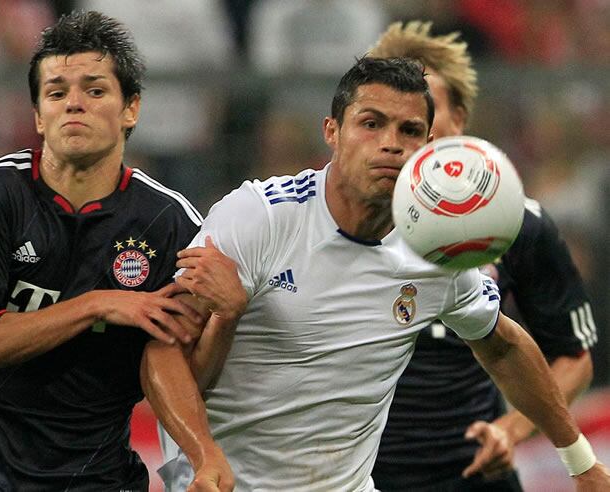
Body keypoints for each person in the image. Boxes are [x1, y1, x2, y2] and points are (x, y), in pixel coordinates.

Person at [147, 56, 610, 491]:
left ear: (428, 147)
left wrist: (581, 461)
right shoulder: (259, 218)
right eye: (371, 124)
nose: (390, 143)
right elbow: (163, 352)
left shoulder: (436, 247)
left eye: (409, 130)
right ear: (332, 131)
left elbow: (503, 345)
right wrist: (202, 453)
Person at [0, 10, 235, 492]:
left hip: (105, 479)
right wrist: (97, 303)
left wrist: (227, 318)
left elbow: (172, 359)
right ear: (38, 115)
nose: (73, 104)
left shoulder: (170, 224)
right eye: (57, 93)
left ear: (131, 109)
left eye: (95, 90)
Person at [367, 21, 598, 491]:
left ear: (460, 119)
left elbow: (573, 355)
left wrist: (511, 430)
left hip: (473, 475)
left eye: (427, 109)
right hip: (357, 478)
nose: (413, 127)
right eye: (391, 114)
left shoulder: (514, 222)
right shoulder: (335, 220)